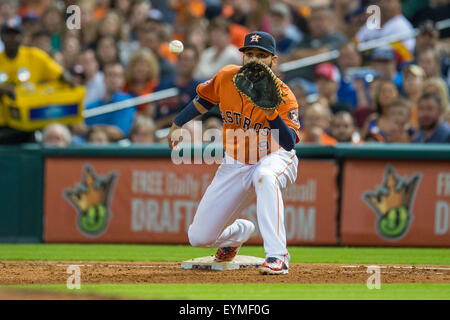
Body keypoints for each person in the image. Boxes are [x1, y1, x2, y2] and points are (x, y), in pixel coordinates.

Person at [167, 31, 300, 275]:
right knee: (199, 237)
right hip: (236, 162)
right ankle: (239, 232)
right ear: (243, 57)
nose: (254, 59)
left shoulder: (283, 95)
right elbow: (204, 100)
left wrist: (270, 111)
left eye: (261, 55)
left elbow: (289, 143)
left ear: (273, 60)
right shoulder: (227, 76)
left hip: (275, 156)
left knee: (265, 177)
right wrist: (178, 123)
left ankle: (277, 256)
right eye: (249, 53)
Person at [0, 20, 74, 144]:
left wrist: (65, 82)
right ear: (2, 37)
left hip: (30, 122)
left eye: (15, 34)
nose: (12, 38)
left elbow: (61, 74)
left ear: (21, 37)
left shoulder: (34, 56)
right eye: (8, 34)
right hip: (3, 123)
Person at [84, 62, 136, 137]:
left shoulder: (127, 102)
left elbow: (119, 133)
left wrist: (91, 129)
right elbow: (79, 128)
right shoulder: (91, 106)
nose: (113, 79)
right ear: (104, 78)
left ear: (123, 80)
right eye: (110, 75)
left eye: (118, 76)